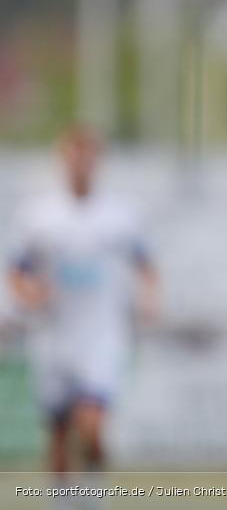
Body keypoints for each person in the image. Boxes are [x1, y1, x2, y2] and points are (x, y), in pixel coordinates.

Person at [6, 127, 158, 490]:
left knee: (91, 425)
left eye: (88, 156)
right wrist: (29, 294)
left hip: (102, 336)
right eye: (74, 156)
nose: (81, 164)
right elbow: (16, 272)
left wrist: (149, 298)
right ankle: (63, 499)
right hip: (54, 337)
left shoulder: (121, 215)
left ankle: (92, 491)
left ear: (98, 162)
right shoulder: (38, 216)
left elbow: (147, 266)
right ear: (62, 161)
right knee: (58, 431)